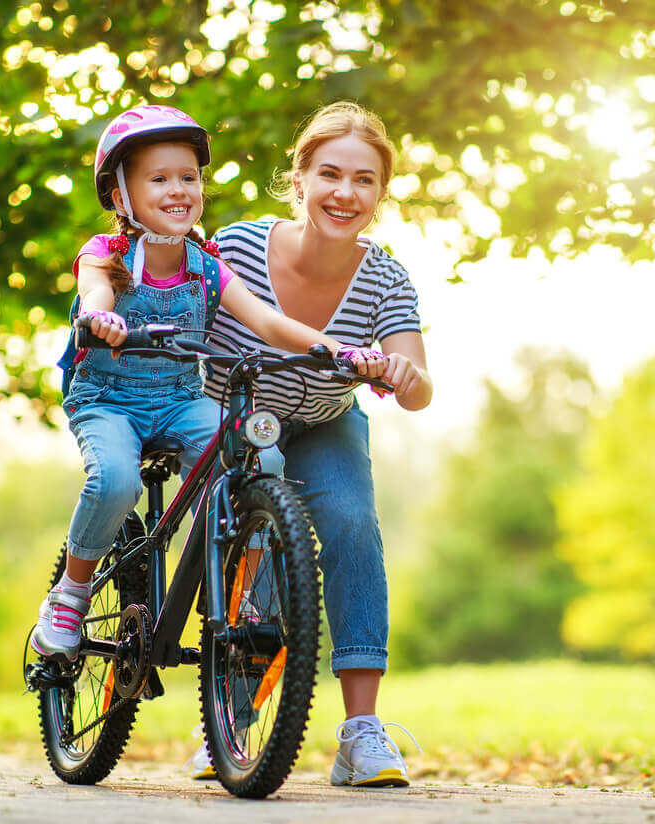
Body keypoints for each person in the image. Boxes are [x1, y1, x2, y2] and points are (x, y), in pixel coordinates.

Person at [30, 104, 386, 663]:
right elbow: (96, 294)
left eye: (189, 178)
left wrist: (338, 350)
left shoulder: (208, 264)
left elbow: (268, 321)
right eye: (159, 179)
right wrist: (102, 320)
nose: (179, 190)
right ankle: (72, 592)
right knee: (116, 482)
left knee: (257, 461)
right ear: (122, 197)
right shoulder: (105, 256)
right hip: (109, 402)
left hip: (178, 400)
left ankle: (228, 567)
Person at [195, 101, 433, 788]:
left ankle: (362, 733)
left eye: (364, 181)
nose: (345, 193)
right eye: (329, 174)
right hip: (234, 416)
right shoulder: (238, 247)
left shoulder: (384, 276)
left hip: (327, 420)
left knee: (354, 524)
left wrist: (404, 372)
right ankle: (229, 722)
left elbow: (417, 387)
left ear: (380, 195)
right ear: (297, 180)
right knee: (260, 539)